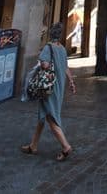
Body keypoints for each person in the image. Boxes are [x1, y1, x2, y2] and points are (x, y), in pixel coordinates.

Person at [21, 22, 76, 162]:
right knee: (43, 115)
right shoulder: (62, 49)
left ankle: (66, 146)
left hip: (48, 87)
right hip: (58, 86)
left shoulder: (48, 47)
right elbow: (65, 67)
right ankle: (33, 145)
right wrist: (71, 81)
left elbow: (45, 65)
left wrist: (41, 61)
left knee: (51, 117)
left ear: (50, 34)